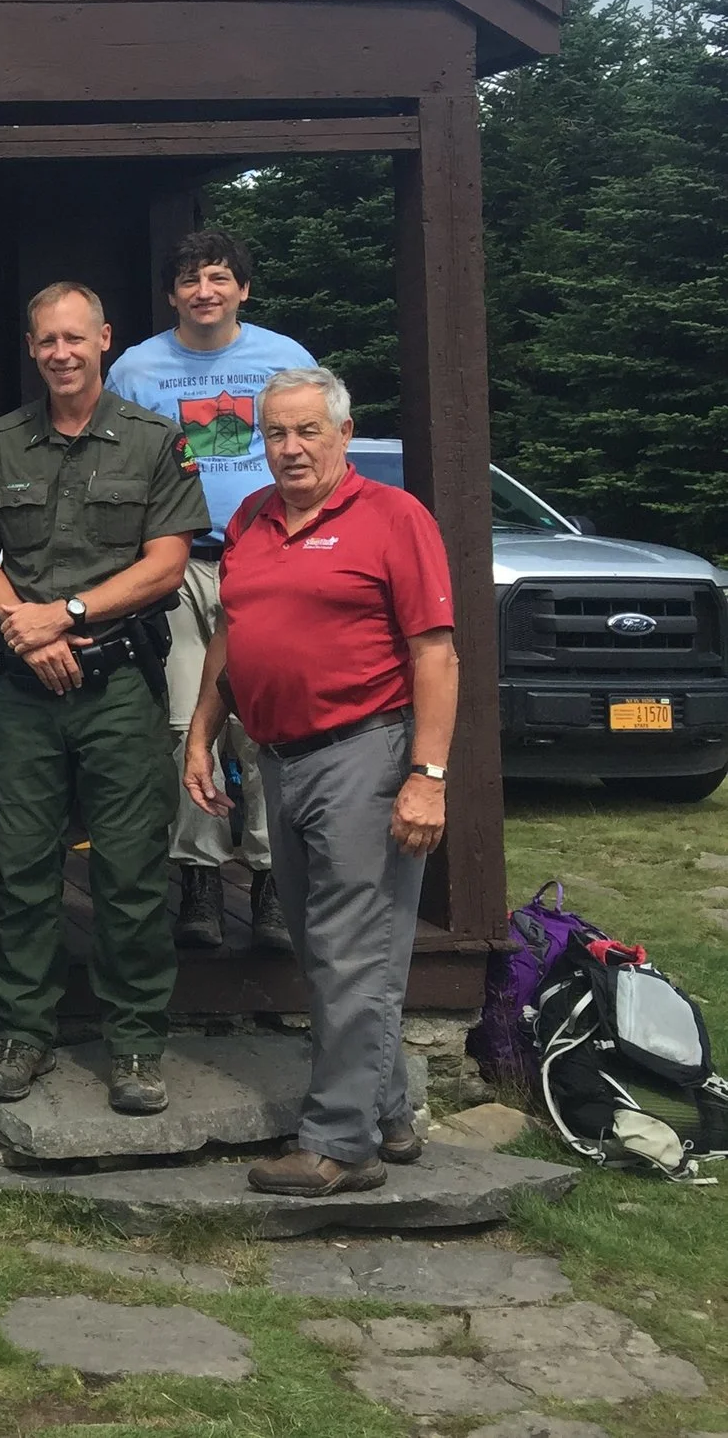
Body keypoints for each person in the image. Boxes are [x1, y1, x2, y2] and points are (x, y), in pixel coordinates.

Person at [183, 366, 455, 1196]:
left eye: (308, 431)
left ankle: (340, 1144)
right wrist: (201, 733)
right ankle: (388, 1112)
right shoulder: (251, 517)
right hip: (279, 755)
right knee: (325, 946)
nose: (291, 447)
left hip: (364, 750)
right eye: (276, 433)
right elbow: (232, 632)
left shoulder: (394, 517)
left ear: (344, 434)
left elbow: (436, 654)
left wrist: (428, 776)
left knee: (350, 950)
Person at [0, 283, 208, 1117]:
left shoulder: (153, 441)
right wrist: (22, 629)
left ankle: (134, 1041)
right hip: (26, 689)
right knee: (23, 869)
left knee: (129, 869)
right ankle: (23, 1032)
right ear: (32, 348)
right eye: (46, 340)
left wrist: (64, 614)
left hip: (119, 683)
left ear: (104, 339)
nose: (61, 353)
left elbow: (167, 563)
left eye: (74, 337)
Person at [106, 230, 314, 954]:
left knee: (261, 725)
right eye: (190, 279)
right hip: (176, 562)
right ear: (171, 294)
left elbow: (318, 452)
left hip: (265, 558)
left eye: (219, 278)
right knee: (181, 723)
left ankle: (269, 876)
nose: (205, 292)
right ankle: (196, 873)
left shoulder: (285, 360)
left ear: (243, 289)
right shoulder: (135, 368)